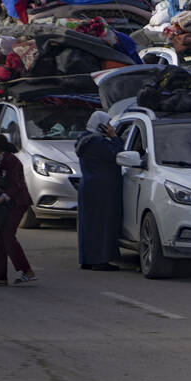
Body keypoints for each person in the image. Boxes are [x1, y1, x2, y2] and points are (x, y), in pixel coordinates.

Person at [0, 133, 37, 287]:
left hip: (18, 202)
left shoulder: (12, 161)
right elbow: (0, 185)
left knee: (7, 235)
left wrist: (2, 198)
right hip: (6, 203)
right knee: (0, 239)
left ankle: (27, 270)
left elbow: (17, 185)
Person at [75, 110, 124, 271]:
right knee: (102, 224)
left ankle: (87, 259)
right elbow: (118, 153)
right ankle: (100, 260)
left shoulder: (83, 139)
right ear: (100, 125)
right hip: (102, 188)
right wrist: (114, 136)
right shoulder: (98, 142)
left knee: (88, 224)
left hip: (89, 186)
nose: (110, 127)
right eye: (108, 124)